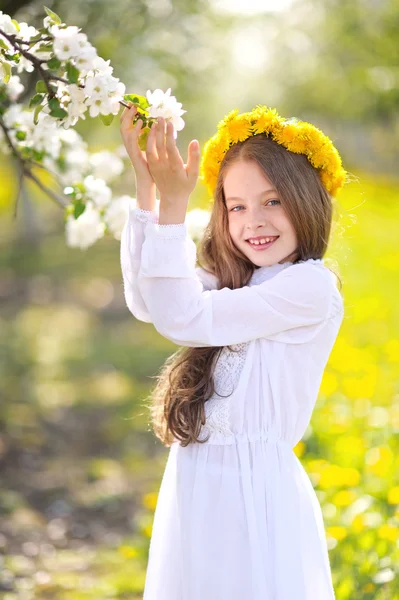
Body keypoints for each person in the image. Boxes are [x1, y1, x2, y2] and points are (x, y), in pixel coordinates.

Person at [119, 103, 347, 600]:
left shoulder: (308, 286)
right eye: (237, 206)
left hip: (252, 496)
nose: (253, 222)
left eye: (273, 201)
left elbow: (183, 317)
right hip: (197, 486)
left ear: (307, 200)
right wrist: (150, 191)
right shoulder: (240, 278)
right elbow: (148, 302)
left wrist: (175, 211)